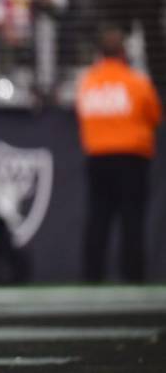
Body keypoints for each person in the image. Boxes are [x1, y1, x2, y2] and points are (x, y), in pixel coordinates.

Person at [76, 27, 162, 283]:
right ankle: (134, 277)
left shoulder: (88, 82)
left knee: (98, 219)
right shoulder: (137, 82)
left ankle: (92, 277)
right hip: (132, 159)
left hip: (98, 159)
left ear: (100, 54)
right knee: (132, 220)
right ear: (124, 53)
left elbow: (82, 114)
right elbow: (155, 116)